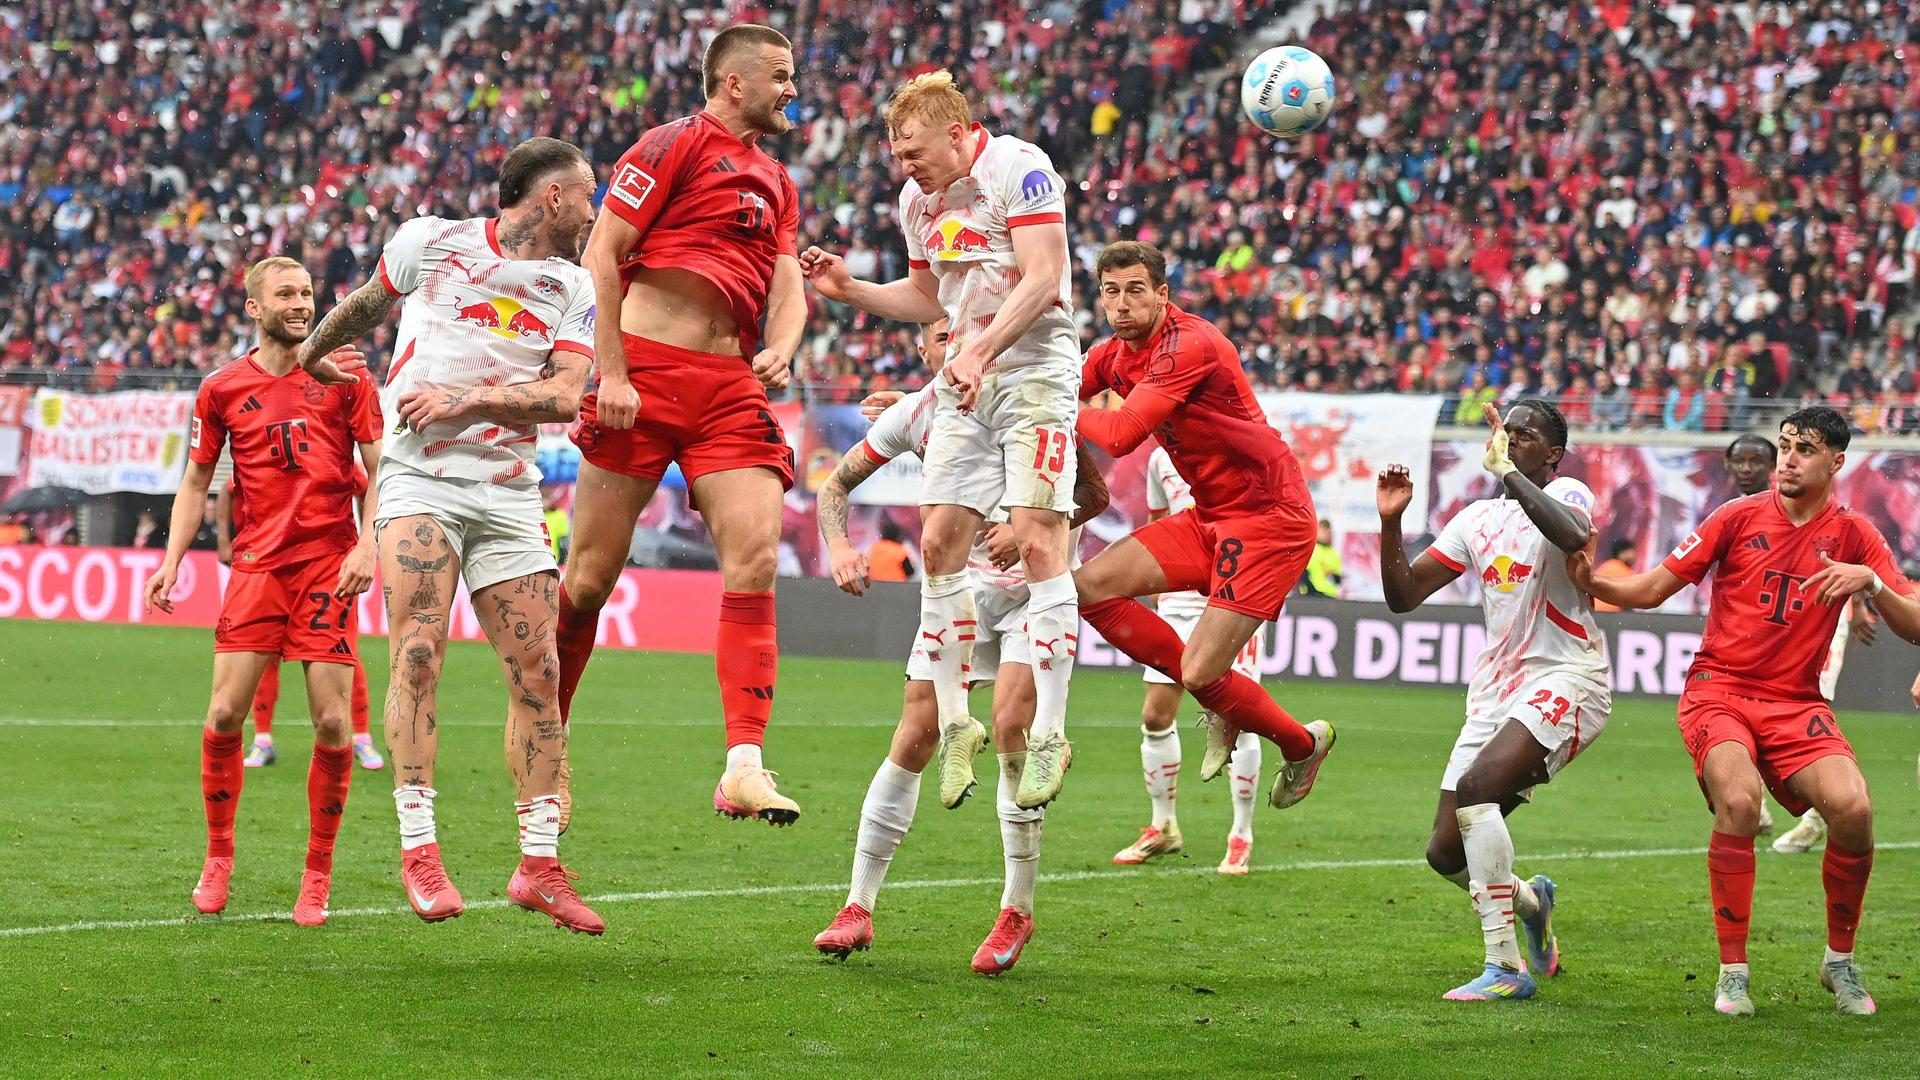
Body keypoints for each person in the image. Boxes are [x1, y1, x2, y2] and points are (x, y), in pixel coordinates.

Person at [296, 137, 603, 933]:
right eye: (587, 194)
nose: (594, 211)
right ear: (553, 198)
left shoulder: (575, 286)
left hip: (508, 491)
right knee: (419, 652)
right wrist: (310, 354)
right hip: (420, 479)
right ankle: (419, 849)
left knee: (539, 671)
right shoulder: (433, 242)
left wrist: (466, 403)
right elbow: (367, 304)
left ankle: (539, 866)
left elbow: (566, 396)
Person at [1572, 406, 1920, 1016]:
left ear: (1836, 462)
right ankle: (1733, 973)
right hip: (1720, 690)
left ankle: (1839, 962)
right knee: (1739, 801)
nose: (1788, 459)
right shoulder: (1735, 516)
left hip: (1795, 702)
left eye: (1804, 449)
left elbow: (1914, 626)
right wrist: (1593, 583)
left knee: (1855, 810)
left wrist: (1871, 581)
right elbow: (1653, 587)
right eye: (1785, 445)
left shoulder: (1857, 534)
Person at [800, 70, 1083, 811]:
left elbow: (1045, 276)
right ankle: (959, 723)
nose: (906, 166)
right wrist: (853, 291)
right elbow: (929, 297)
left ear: (957, 134)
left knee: (1038, 540)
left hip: (1035, 374)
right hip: (967, 378)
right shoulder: (917, 201)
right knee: (938, 544)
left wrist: (980, 349)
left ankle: (1051, 733)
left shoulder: (1019, 168)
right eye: (898, 156)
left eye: (914, 152)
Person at [558, 24, 806, 826]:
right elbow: (603, 253)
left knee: (756, 558)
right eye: (780, 75)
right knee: (588, 580)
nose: (792, 89)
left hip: (728, 385)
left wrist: (783, 345)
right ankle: (547, 734)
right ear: (735, 82)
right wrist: (613, 371)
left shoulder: (778, 180)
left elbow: (789, 283)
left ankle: (744, 765)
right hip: (644, 373)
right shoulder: (672, 143)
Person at [811, 321, 1108, 974]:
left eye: (966, 329)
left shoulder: (1036, 399)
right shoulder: (922, 414)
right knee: (916, 733)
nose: (957, 340)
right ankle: (857, 905)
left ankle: (1016, 909)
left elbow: (1095, 493)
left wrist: (1030, 531)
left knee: (1009, 724)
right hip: (963, 598)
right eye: (942, 333)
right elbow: (833, 487)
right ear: (924, 349)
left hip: (1032, 597)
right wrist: (837, 545)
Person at [142, 256, 381, 927]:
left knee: (332, 724)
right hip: (256, 569)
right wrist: (171, 560)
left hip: (327, 566)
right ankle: (218, 858)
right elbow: (197, 482)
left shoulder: (346, 377)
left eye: (306, 293)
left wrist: (369, 543)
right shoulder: (220, 388)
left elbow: (381, 469)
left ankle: (317, 874)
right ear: (255, 307)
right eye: (286, 294)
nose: (301, 304)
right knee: (224, 715)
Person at [1071, 241, 1335, 814]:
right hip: (1209, 515)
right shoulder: (1113, 353)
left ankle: (1303, 744)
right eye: (1111, 292)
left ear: (1162, 294)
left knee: (1198, 671)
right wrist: (934, 399)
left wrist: (1057, 408)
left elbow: (1119, 434)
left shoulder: (1188, 344)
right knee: (1088, 588)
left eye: (1136, 290)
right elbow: (1049, 382)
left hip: (1269, 519)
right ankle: (1224, 698)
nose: (1122, 303)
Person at [1377, 401, 1609, 1001]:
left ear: (1553, 454)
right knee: (1443, 851)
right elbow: (1404, 595)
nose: (1509, 439)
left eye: (1524, 434)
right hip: (1496, 690)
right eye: (1506, 431)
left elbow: (1573, 535)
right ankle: (1533, 904)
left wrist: (1508, 471)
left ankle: (1505, 968)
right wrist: (1391, 523)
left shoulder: (1569, 494)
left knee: (1477, 789)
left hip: (1568, 677)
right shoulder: (1476, 518)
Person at [1111, 445, 1265, 875]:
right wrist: (1155, 582)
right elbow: (1158, 523)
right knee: (1155, 715)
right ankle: (1163, 826)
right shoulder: (1161, 459)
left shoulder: (1242, 447)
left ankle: (1241, 834)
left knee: (1234, 719)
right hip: (1179, 601)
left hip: (1235, 599)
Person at [219, 473, 383, 771]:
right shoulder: (263, 457)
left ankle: (361, 736)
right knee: (264, 655)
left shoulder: (334, 459)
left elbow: (371, 484)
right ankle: (263, 739)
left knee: (341, 654)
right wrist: (224, 539)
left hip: (326, 566)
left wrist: (365, 542)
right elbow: (226, 488)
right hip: (267, 564)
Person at [1590, 538, 1638, 613]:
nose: (1634, 556)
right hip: (1612, 614)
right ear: (1622, 553)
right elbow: (1628, 598)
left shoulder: (1605, 566)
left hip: (1594, 611)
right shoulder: (1623, 570)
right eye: (1631, 552)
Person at [1300, 518, 1342, 598]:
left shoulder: (1334, 553)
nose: (1325, 534)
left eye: (1327, 531)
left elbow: (1338, 580)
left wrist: (1332, 574)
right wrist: (1312, 591)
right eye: (1322, 531)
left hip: (1330, 595)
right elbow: (1303, 574)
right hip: (1311, 596)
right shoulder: (1310, 550)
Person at [866, 518, 914, 582]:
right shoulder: (899, 550)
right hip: (896, 584)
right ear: (897, 535)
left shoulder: (873, 549)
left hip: (875, 584)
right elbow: (910, 571)